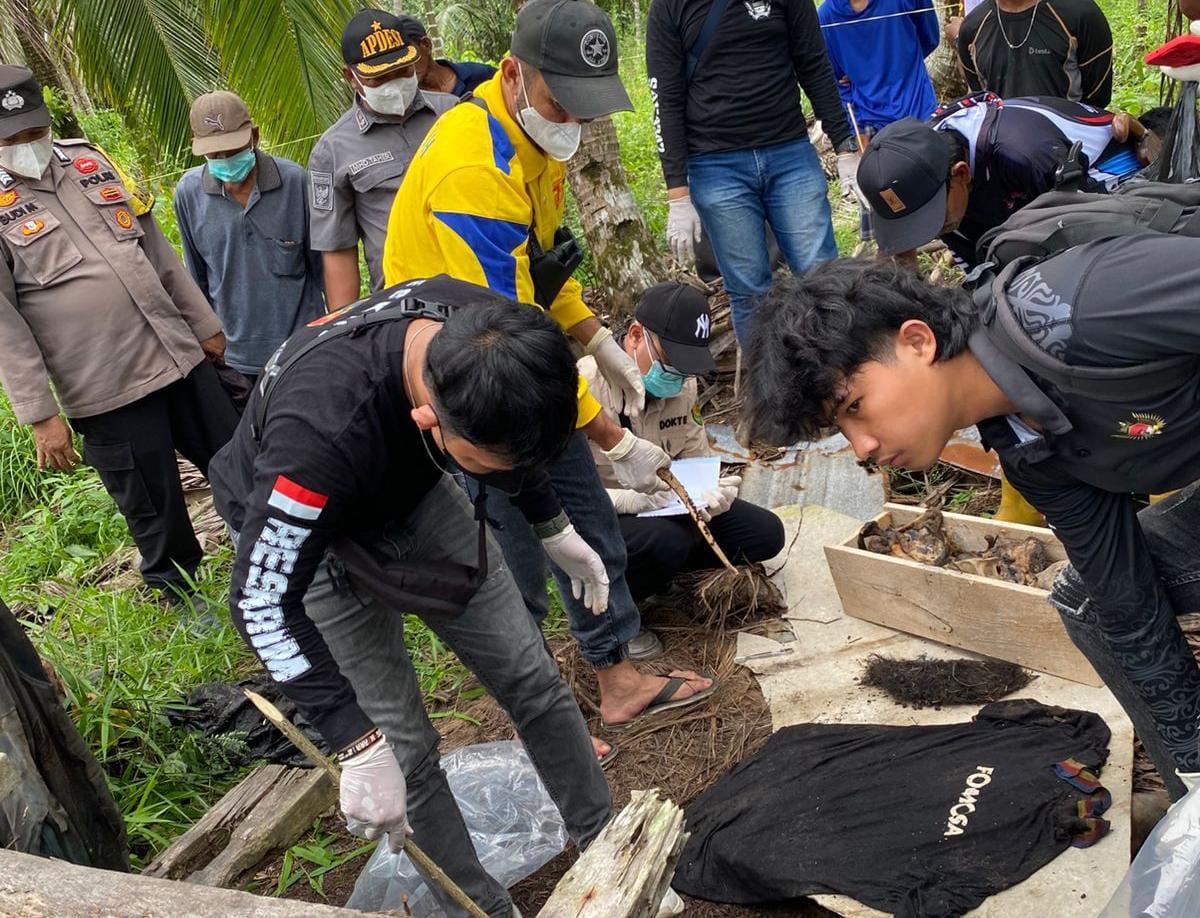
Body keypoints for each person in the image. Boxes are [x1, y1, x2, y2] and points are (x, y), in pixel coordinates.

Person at [208, 275, 613, 918]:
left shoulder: (491, 330)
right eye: (489, 464)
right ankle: (479, 910)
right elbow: (260, 600)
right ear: (429, 419)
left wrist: (551, 524)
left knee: (530, 675)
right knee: (402, 751)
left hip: (412, 492)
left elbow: (518, 428)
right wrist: (354, 741)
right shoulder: (315, 439)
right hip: (314, 543)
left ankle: (610, 848)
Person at [742, 250, 1200, 802]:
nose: (861, 446)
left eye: (855, 406)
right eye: (839, 427)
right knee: (1092, 604)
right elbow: (1125, 597)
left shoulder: (1085, 307)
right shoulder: (1031, 453)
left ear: (917, 341)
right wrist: (1190, 760)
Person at [385, 0, 717, 732]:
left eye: (585, 107)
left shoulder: (537, 144)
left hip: (514, 353)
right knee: (514, 557)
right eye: (560, 100)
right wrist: (614, 439)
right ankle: (539, 722)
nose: (572, 120)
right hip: (465, 380)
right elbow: (507, 335)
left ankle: (617, 678)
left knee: (589, 524)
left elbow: (538, 270)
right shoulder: (474, 166)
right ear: (512, 74)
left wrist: (597, 339)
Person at [0, 65, 237, 609]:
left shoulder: (91, 162)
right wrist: (40, 414)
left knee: (237, 460)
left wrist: (204, 325)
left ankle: (279, 560)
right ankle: (182, 599)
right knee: (154, 505)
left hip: (176, 354)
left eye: (34, 131)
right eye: (12, 138)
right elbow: (5, 323)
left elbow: (156, 250)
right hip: (105, 387)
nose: (27, 145)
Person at [646, 0, 857, 344]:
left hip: (789, 153)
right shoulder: (669, 6)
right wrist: (678, 195)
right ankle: (766, 377)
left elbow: (814, 63)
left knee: (823, 276)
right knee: (749, 293)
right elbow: (664, 97)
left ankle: (836, 366)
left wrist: (844, 146)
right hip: (716, 166)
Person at [582, 283, 785, 602]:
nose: (677, 377)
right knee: (665, 539)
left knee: (766, 533)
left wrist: (710, 493)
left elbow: (693, 457)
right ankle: (619, 601)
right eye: (670, 360)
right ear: (636, 336)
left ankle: (665, 569)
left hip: (668, 506)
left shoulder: (683, 386)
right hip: (602, 517)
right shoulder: (582, 387)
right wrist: (628, 501)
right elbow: (560, 493)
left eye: (686, 366)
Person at [857, 93, 1147, 267]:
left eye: (932, 218)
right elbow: (978, 265)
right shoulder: (928, 172)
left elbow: (1092, 233)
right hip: (1005, 198)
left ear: (961, 173)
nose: (930, 231)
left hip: (1107, 182)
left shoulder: (1024, 154)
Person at [308, 9, 456, 309]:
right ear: (351, 78)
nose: (395, 84)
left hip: (478, 286)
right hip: (407, 306)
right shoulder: (333, 150)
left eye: (403, 71)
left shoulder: (455, 113)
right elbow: (338, 250)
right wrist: (347, 324)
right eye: (380, 78)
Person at [174, 91, 325, 381]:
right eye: (215, 154)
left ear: (254, 137)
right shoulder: (188, 194)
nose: (225, 160)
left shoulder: (294, 182)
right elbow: (196, 280)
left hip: (303, 349)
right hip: (235, 360)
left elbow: (324, 268)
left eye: (233, 150)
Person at [817, 0, 941, 247]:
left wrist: (902, 67)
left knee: (935, 198)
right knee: (889, 217)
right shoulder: (827, 16)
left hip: (918, 110)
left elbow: (930, 38)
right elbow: (834, 79)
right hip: (870, 124)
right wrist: (854, 128)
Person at [956, 0, 1113, 107]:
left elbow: (1097, 98)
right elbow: (979, 93)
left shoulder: (1080, 14)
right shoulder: (972, 27)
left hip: (1069, 139)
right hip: (999, 141)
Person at [397, 14, 497, 97]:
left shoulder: (481, 75)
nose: (402, 67)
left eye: (407, 55)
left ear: (426, 45)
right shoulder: (411, 104)